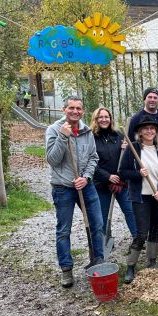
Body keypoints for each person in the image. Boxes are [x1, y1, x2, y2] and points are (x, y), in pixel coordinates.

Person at [45, 96, 104, 288]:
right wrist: (63, 137)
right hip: (63, 188)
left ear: (83, 111)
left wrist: (85, 177)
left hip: (85, 185)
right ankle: (66, 270)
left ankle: (98, 262)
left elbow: (94, 158)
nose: (75, 111)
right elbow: (53, 160)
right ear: (64, 109)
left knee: (97, 224)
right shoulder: (54, 130)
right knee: (64, 230)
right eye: (71, 108)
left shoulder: (87, 131)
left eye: (79, 108)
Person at [119, 116, 158, 284]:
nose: (149, 131)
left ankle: (152, 261)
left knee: (156, 229)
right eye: (146, 128)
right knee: (142, 232)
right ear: (140, 132)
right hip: (140, 196)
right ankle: (131, 266)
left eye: (152, 128)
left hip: (157, 196)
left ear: (155, 131)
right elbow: (122, 172)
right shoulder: (133, 149)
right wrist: (138, 174)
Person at [128, 87, 158, 233]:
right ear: (145, 99)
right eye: (150, 97)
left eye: (155, 97)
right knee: (148, 193)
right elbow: (131, 142)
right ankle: (147, 226)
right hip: (145, 164)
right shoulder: (137, 118)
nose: (152, 100)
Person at [90, 107, 137, 239]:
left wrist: (127, 149)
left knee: (130, 210)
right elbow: (90, 163)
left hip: (121, 182)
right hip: (102, 183)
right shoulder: (91, 138)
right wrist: (108, 176)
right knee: (102, 215)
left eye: (107, 117)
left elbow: (130, 159)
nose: (104, 119)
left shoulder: (119, 136)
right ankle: (104, 242)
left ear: (111, 119)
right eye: (101, 117)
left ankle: (138, 239)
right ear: (96, 119)